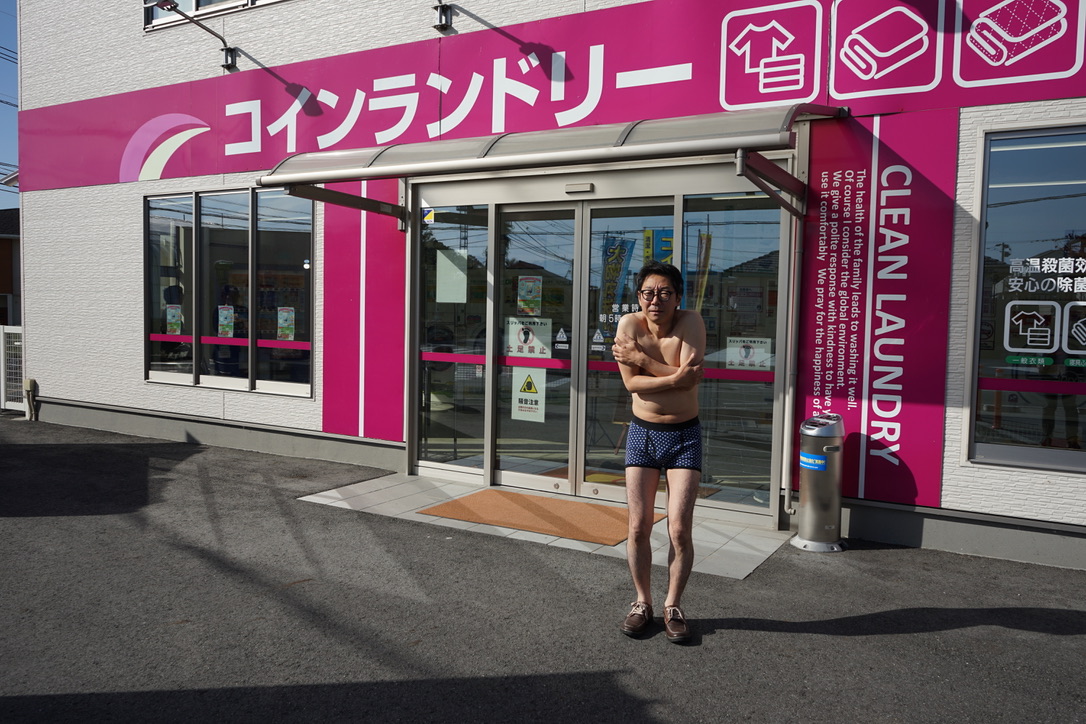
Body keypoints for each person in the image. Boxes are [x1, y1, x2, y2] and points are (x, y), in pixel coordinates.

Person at [611, 260, 706, 643]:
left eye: (665, 292)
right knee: (638, 526)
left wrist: (642, 361)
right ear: (639, 297)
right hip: (643, 433)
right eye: (648, 293)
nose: (656, 300)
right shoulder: (628, 325)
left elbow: (688, 385)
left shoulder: (692, 322)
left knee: (679, 528)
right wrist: (673, 375)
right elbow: (633, 385)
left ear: (677, 297)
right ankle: (642, 602)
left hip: (685, 435)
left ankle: (672, 605)